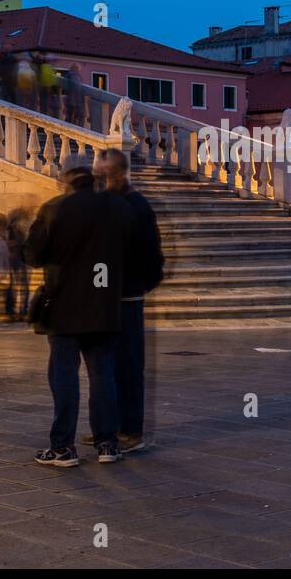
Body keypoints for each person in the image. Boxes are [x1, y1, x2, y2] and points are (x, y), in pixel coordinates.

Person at [23, 154, 134, 467]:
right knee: (103, 377)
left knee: (64, 377)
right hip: (105, 306)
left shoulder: (53, 208)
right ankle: (107, 444)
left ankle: (63, 448)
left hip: (63, 308)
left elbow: (33, 255)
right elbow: (133, 253)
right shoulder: (119, 208)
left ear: (65, 179)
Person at [93, 148, 164, 455]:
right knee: (109, 365)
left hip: (128, 296)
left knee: (129, 365)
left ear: (119, 174)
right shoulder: (116, 203)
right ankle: (112, 426)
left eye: (103, 175)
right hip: (111, 294)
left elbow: (152, 255)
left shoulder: (137, 206)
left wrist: (138, 285)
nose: (99, 181)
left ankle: (132, 430)